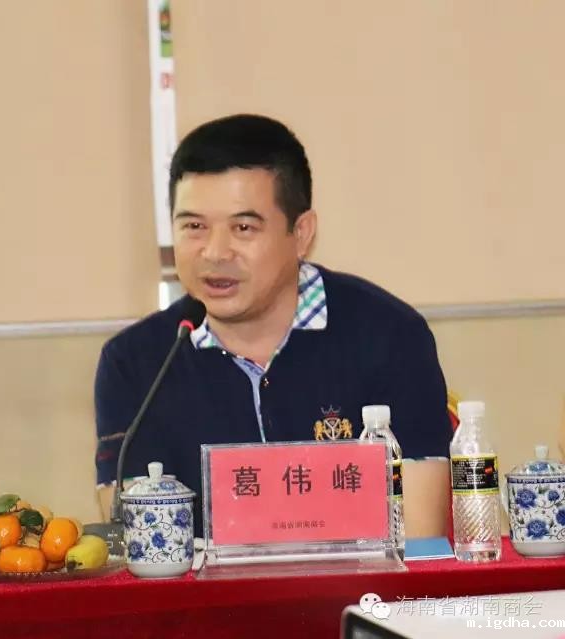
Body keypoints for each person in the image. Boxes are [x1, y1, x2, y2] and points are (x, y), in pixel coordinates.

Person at [95, 114, 452, 534]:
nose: (215, 252)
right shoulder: (136, 363)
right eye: (194, 226)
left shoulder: (390, 337)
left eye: (243, 227)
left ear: (301, 233)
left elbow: (419, 534)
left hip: (359, 579)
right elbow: (138, 540)